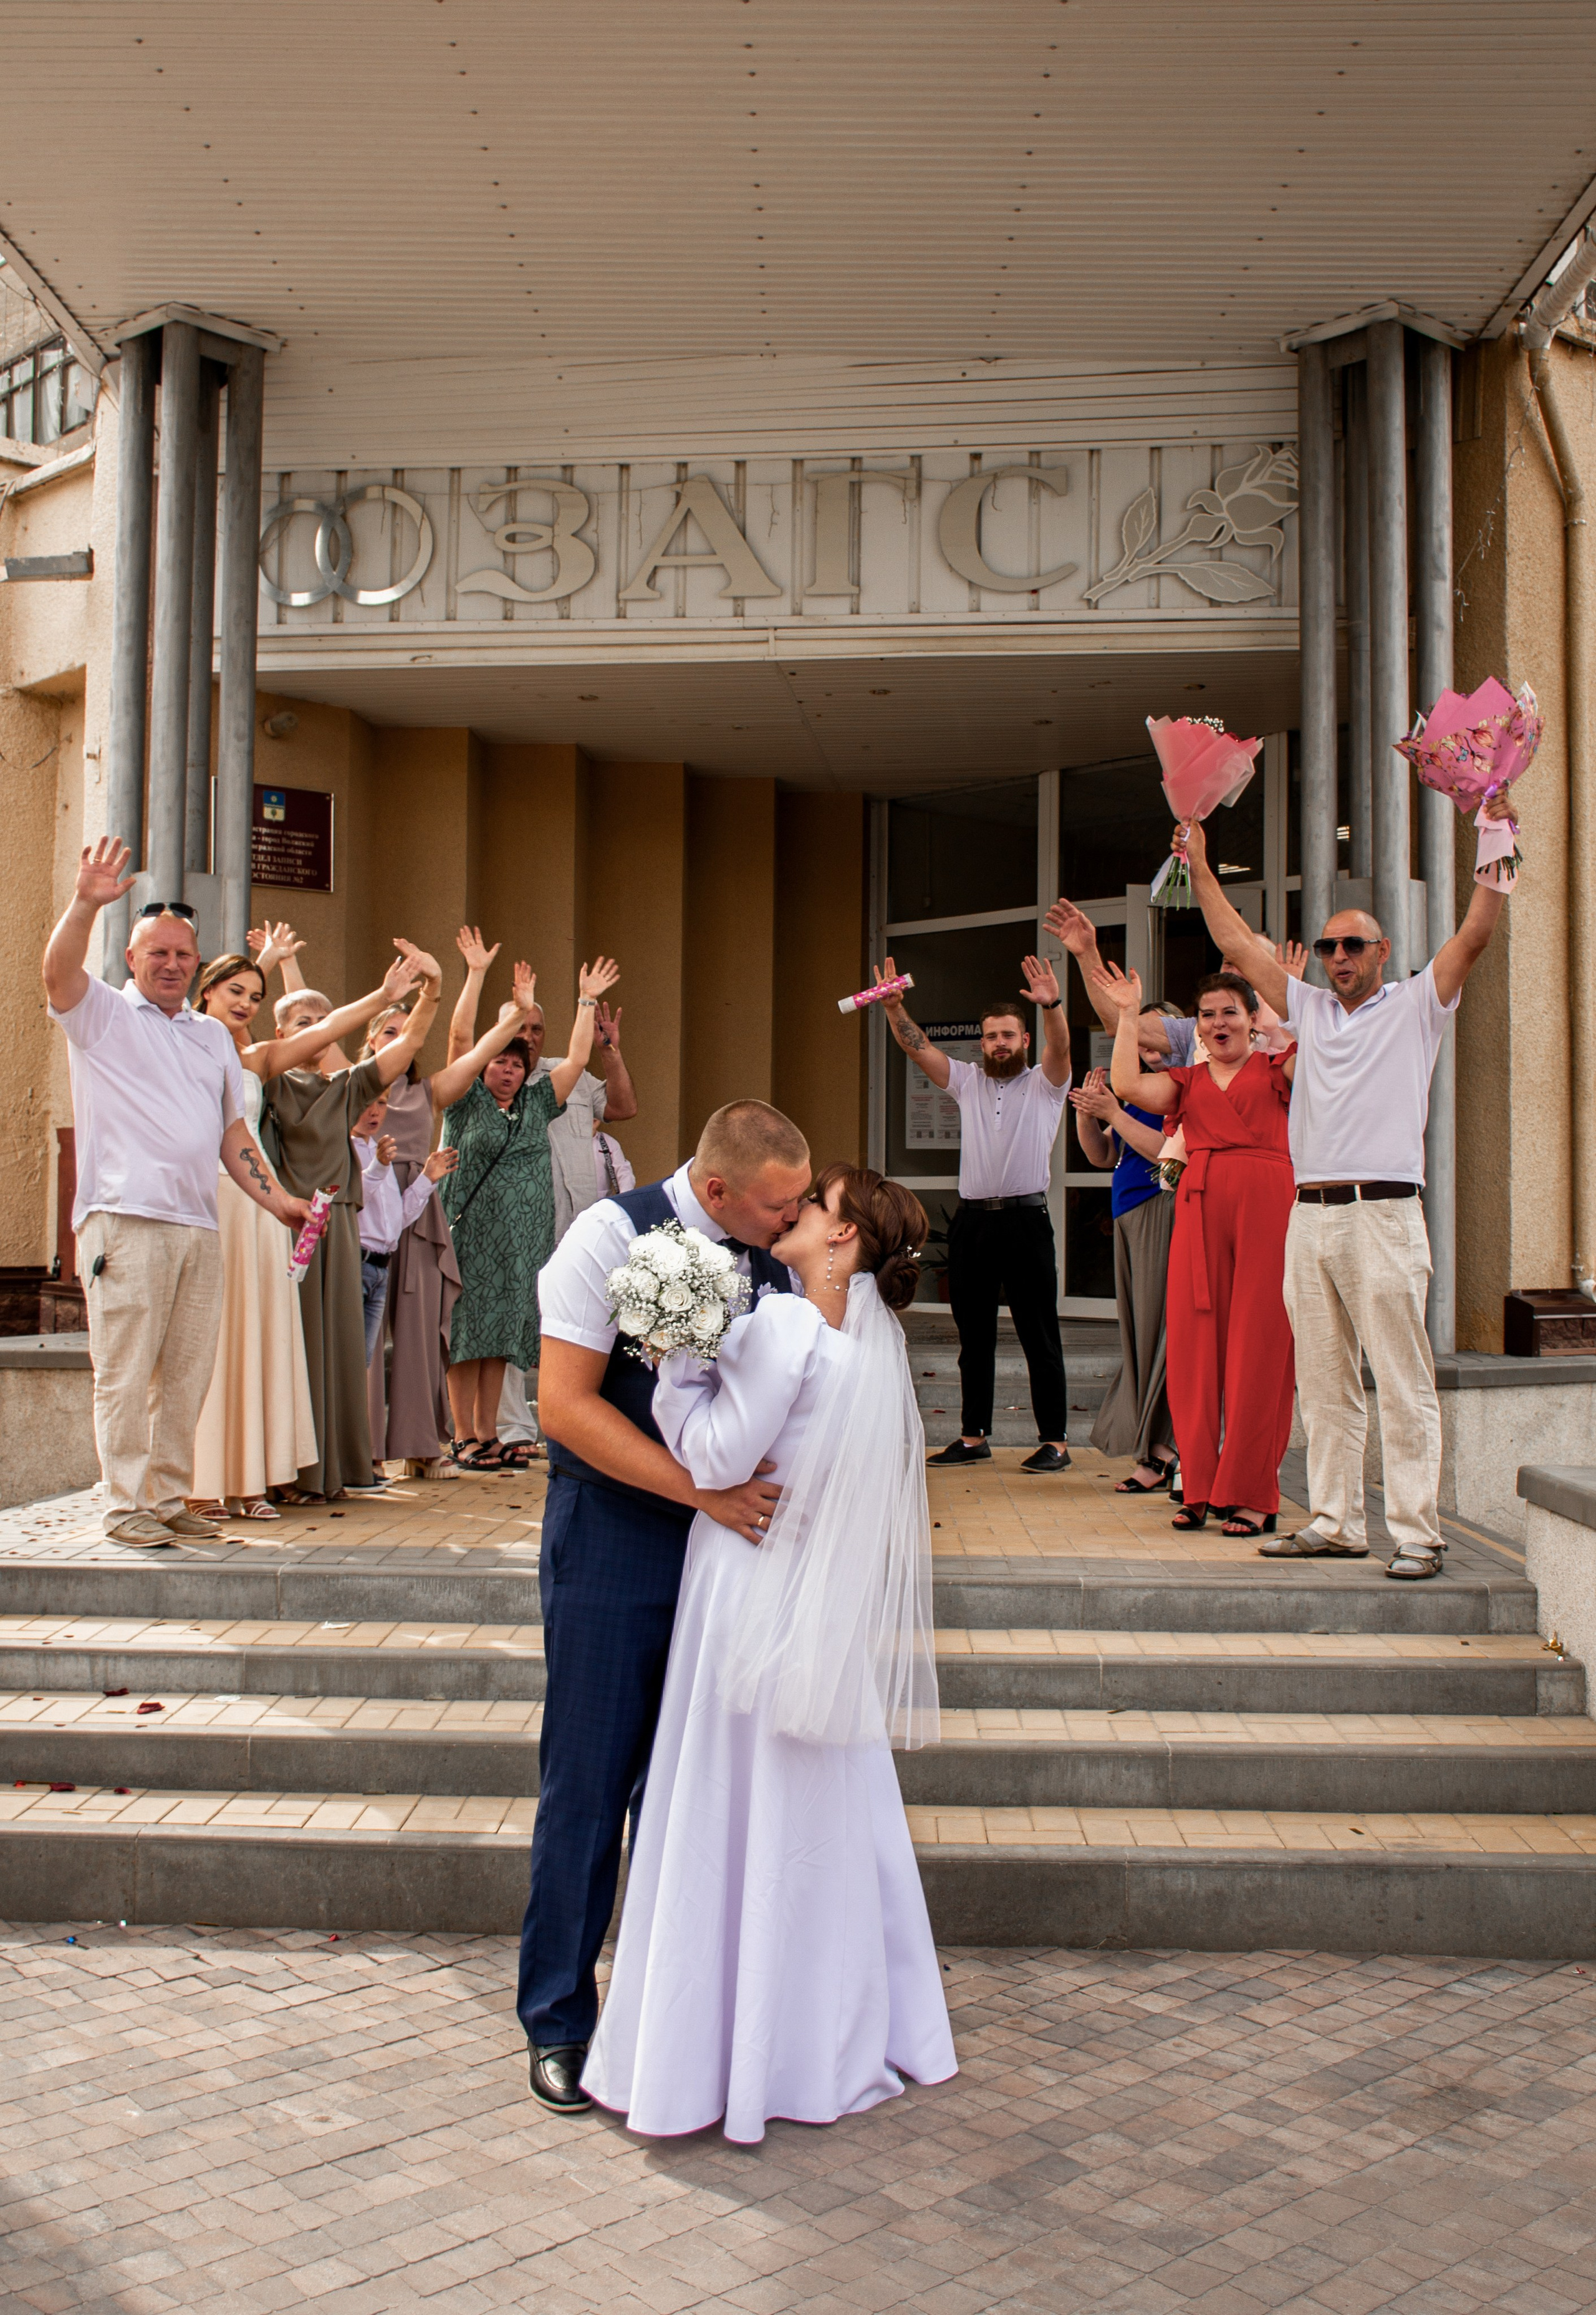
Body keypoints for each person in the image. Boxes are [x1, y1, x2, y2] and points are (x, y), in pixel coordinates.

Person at [582, 1165, 956, 2142]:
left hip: (743, 1584)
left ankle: (712, 2051)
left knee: (723, 1809)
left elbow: (715, 1460)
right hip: (810, 1601)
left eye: (815, 1205)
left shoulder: (788, 1326)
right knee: (804, 1821)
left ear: (841, 1240)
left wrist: (671, 1360)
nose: (792, 1215)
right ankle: (807, 2039)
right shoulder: (872, 1348)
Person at [522, 1099, 813, 2113]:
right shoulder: (610, 1234)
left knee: (691, 1799)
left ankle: (669, 2022)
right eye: (780, 1204)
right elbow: (565, 1406)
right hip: (613, 1541)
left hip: (728, 1561)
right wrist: (701, 1491)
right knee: (590, 1786)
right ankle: (558, 2015)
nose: (793, 1219)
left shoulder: (776, 1258)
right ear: (721, 1187)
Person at [1175, 806, 1517, 1578]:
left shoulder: (1417, 1004)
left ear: (1381, 951)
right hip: (1309, 1215)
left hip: (1384, 1212)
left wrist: (1496, 844)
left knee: (1400, 1378)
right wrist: (1197, 859)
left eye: (1352, 944)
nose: (1337, 955)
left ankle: (1419, 1533)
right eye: (1327, 945)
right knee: (1323, 1380)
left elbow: (1473, 937)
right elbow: (1233, 940)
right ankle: (1334, 1520)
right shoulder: (1308, 1009)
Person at [41, 840, 312, 1547]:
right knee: (127, 1373)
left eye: (182, 954)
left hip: (200, 1224)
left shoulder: (210, 1038)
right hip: (125, 1222)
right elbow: (56, 972)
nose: (170, 963)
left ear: (196, 964)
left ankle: (166, 1496)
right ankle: (124, 1504)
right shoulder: (100, 1014)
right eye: (156, 952)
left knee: (188, 1373)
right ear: (132, 960)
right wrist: (86, 903)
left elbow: (231, 1132)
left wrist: (278, 1199)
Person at [262, 921, 542, 1479]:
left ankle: (420, 1447)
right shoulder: (354, 1080)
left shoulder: (430, 1090)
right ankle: (359, 1450)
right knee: (356, 1336)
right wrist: (288, 964)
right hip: (364, 1208)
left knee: (418, 1334)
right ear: (371, 1043)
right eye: (384, 1033)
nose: (395, 1039)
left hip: (420, 1210)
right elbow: (314, 1031)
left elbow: (478, 1049)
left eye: (401, 1031)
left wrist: (512, 1009)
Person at [186, 943, 425, 1518]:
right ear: (207, 991)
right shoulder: (181, 1042)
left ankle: (247, 1480)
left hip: (258, 1205)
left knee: (256, 1339)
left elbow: (323, 1033)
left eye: (254, 995)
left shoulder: (255, 1060)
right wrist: (265, 961)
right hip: (202, 1201)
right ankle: (198, 1483)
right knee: (211, 1344)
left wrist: (384, 998)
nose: (244, 1002)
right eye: (234, 991)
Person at [1101, 964, 1298, 1538]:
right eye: (1208, 1014)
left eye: (1230, 1012)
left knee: (1258, 1351)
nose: (1218, 1023)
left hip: (1266, 1209)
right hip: (1199, 1210)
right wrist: (1124, 1016)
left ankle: (1254, 1495)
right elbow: (1129, 1086)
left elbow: (1322, 1057)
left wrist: (1285, 1006)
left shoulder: (1276, 1069)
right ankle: (1201, 1486)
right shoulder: (1187, 1081)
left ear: (1251, 1020)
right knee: (1192, 1348)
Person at [878, 950, 1073, 1473]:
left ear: (1025, 1040)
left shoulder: (1046, 1085)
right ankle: (973, 1436)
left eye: (1008, 1034)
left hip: (1026, 1221)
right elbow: (919, 1052)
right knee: (974, 1336)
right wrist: (896, 1008)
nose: (999, 1043)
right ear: (981, 1042)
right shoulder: (968, 1081)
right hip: (974, 1224)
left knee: (1039, 1333)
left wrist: (1051, 1003)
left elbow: (1062, 1045)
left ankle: (1055, 1440)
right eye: (990, 1036)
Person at [445, 928, 639, 1455]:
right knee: (468, 1336)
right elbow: (461, 1040)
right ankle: (466, 1435)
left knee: (504, 1334)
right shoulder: (466, 1100)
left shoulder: (539, 1101)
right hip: (474, 1234)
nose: (509, 1068)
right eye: (500, 1060)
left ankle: (490, 1435)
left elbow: (578, 1058)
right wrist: (478, 975)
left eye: (517, 1061)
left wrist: (585, 1000)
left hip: (524, 1239)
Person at [263, 943, 443, 1503]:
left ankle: (333, 1468)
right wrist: (269, 965)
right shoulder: (266, 1080)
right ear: (282, 1031)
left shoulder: (348, 1086)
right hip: (287, 1223)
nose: (316, 1030)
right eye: (302, 1023)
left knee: (342, 1351)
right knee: (295, 1348)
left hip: (341, 1227)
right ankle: (284, 1471)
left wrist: (432, 990)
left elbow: (410, 1043)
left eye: (323, 1021)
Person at [1070, 1030, 1181, 1493]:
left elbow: (1168, 1153)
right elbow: (1103, 1155)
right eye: (1141, 1044)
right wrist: (1087, 1116)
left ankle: (1164, 1450)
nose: (1147, 1052)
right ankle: (1151, 1447)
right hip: (1129, 1215)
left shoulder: (1181, 1091)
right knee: (1139, 1333)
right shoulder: (1139, 1096)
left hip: (1161, 1210)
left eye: (1157, 1041)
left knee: (1158, 1332)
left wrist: (1113, 1110)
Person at [352, 1092, 459, 1397]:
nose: (374, 1111)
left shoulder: (378, 1148)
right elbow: (350, 1201)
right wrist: (378, 1168)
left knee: (361, 1366)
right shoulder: (346, 1148)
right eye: (366, 1102)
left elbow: (395, 1220)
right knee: (347, 1363)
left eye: (382, 1103)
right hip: (355, 1265)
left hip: (381, 1270)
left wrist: (426, 1179)